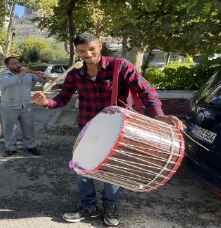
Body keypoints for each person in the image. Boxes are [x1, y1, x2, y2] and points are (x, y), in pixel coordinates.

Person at [32, 33, 183, 227]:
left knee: (112, 171)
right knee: (83, 167)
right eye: (82, 51)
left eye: (91, 49)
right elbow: (62, 98)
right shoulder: (75, 74)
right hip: (88, 127)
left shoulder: (120, 66)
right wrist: (46, 102)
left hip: (119, 129)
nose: (88, 54)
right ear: (77, 52)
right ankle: (88, 207)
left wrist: (159, 115)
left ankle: (110, 207)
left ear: (100, 46)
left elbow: (146, 90)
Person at [0, 56, 47, 156]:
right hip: (9, 106)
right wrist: (21, 74)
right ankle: (10, 148)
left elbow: (41, 80)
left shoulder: (27, 74)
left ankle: (31, 146)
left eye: (17, 63)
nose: (17, 65)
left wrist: (42, 76)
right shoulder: (3, 75)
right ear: (7, 66)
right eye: (13, 63)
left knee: (29, 127)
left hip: (26, 106)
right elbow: (7, 83)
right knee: (9, 128)